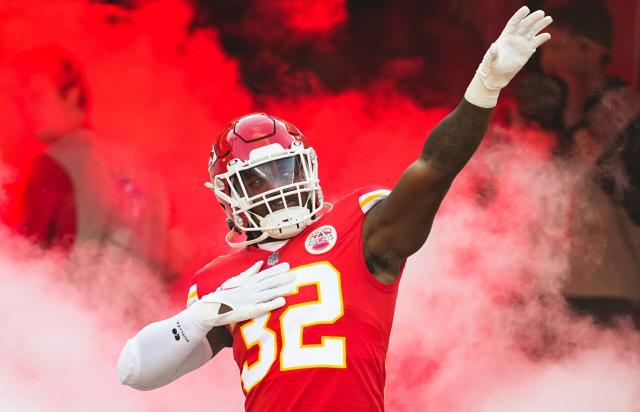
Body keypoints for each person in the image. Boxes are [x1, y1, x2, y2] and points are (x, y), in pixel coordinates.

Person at [118, 7, 552, 410]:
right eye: (257, 179)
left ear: (306, 167)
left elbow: (435, 166)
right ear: (228, 195)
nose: (277, 188)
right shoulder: (219, 280)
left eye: (285, 171)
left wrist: (483, 90)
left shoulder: (358, 226)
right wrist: (198, 318)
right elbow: (134, 371)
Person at [13, 46, 182, 282]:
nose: (28, 109)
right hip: (147, 315)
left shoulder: (52, 166)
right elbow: (179, 257)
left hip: (76, 315)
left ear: (71, 94)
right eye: (22, 100)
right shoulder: (144, 168)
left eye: (36, 96)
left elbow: (28, 264)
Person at [539, 1, 640, 327]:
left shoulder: (628, 110)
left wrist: (574, 122)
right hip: (560, 287)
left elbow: (627, 189)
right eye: (543, 50)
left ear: (592, 51)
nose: (547, 61)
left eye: (557, 47)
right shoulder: (552, 113)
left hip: (614, 289)